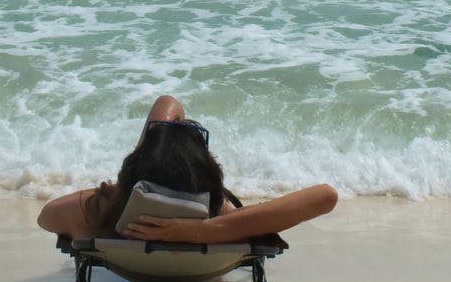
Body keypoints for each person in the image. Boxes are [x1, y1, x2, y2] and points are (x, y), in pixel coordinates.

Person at [37, 94, 338, 243]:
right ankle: (159, 162)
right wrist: (203, 230)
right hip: (202, 223)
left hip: (125, 220)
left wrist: (121, 193)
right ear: (208, 181)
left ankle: (148, 169)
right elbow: (326, 196)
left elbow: (45, 217)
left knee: (164, 126)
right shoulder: (222, 219)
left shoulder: (96, 217)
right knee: (166, 131)